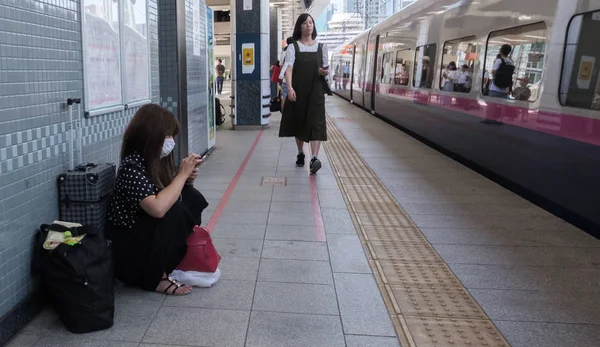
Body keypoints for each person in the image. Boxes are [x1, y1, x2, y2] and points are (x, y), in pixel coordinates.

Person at [106, 104, 209, 296]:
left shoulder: (154, 161)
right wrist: (181, 176)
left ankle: (171, 258)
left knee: (190, 197)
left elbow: (170, 193)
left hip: (144, 233)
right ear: (150, 136)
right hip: (127, 248)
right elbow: (158, 208)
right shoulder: (131, 166)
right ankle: (155, 278)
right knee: (173, 211)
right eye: (167, 135)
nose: (170, 141)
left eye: (172, 136)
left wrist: (185, 178)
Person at [279, 14, 328, 174]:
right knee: (299, 123)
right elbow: (289, 68)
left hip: (316, 91)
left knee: (317, 123)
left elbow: (326, 69)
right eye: (305, 23)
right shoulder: (294, 47)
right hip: (299, 91)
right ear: (299, 27)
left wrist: (323, 72)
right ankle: (301, 152)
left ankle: (314, 157)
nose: (309, 25)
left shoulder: (321, 47)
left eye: (311, 22)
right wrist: (290, 88)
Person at [279, 37, 294, 111]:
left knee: (284, 97)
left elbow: (281, 66)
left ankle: (283, 115)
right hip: (292, 79)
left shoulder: (283, 53)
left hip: (285, 79)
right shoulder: (294, 51)